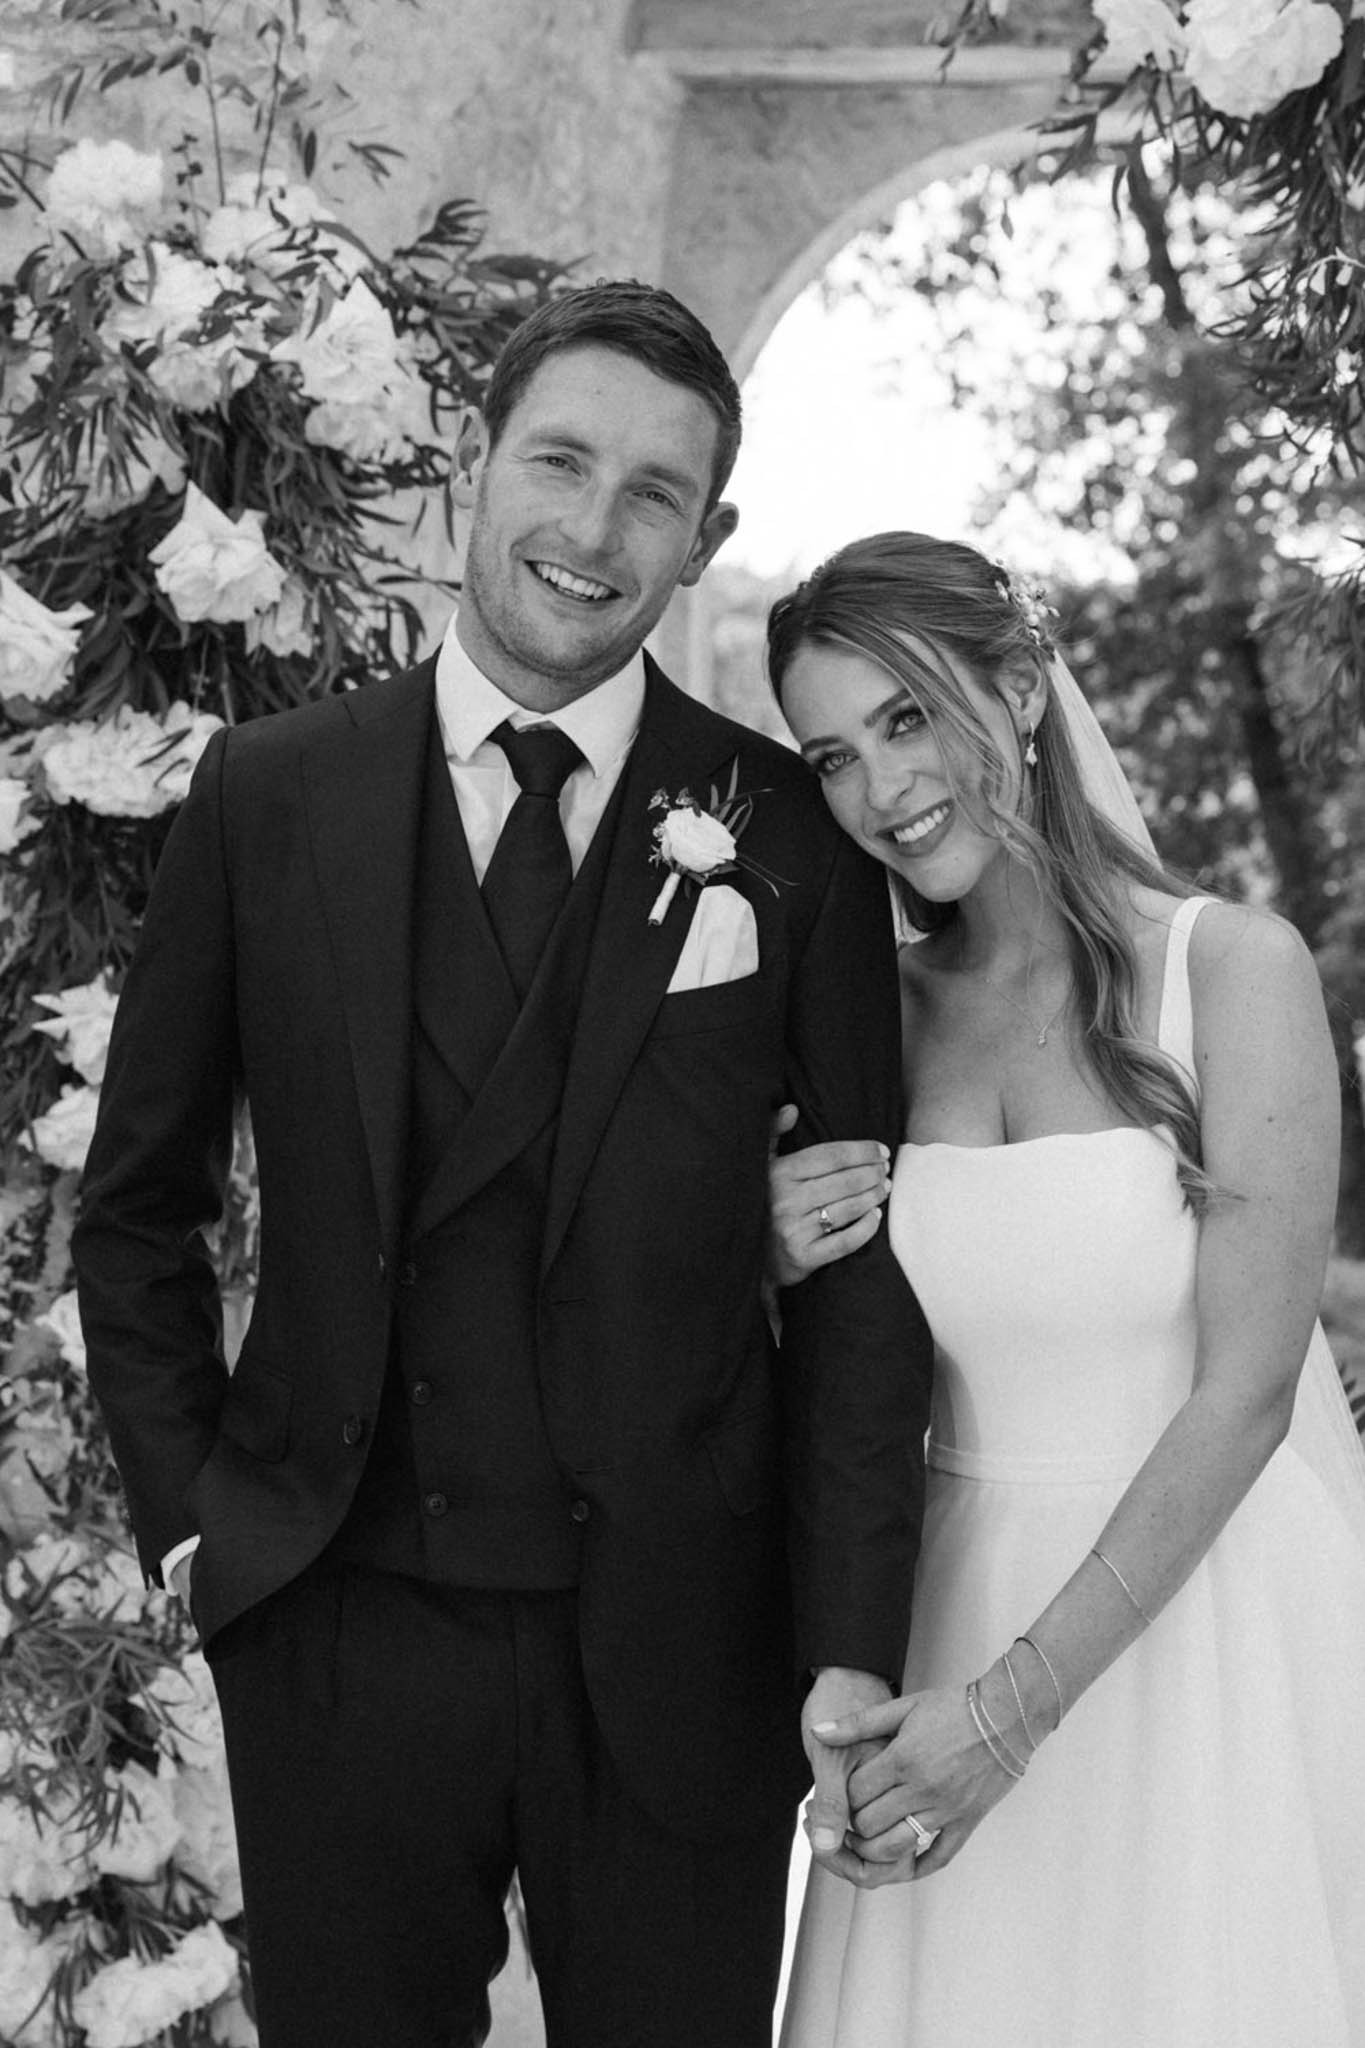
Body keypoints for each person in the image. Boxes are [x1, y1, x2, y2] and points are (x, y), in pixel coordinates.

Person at [72, 287, 935, 2048]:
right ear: (474, 464)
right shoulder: (268, 794)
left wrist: (850, 1636)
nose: (591, 528)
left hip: (680, 1641)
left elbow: (858, 1280)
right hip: (336, 1622)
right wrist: (194, 1540)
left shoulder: (789, 839)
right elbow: (139, 1209)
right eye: (559, 460)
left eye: (650, 493)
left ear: (707, 541)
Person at [765, 530, 1365, 2048]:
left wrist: (1011, 1713)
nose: (880, 790)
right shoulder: (860, 1021)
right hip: (942, 1612)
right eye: (829, 756)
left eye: (908, 717)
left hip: (1204, 1610)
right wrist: (764, 1252)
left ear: (1019, 688)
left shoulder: (1230, 972)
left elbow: (1242, 1394)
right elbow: (825, 1371)